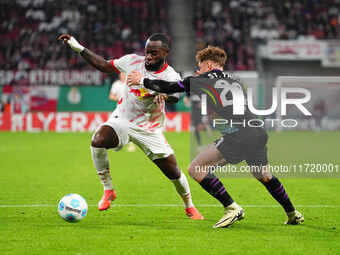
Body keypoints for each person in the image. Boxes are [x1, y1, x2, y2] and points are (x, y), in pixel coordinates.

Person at [127, 45, 304, 228]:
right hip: (257, 132)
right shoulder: (236, 81)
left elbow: (172, 87)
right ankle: (293, 213)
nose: (199, 70)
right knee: (264, 175)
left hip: (238, 135)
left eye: (200, 66)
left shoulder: (203, 79)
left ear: (209, 65)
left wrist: (143, 80)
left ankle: (232, 208)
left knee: (196, 168)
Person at [57, 33, 203, 220]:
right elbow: (103, 65)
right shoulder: (133, 61)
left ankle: (189, 206)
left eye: (154, 53)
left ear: (166, 52)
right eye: (147, 52)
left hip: (149, 127)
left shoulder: (170, 75)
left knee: (173, 172)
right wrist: (78, 48)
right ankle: (108, 190)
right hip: (123, 119)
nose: (148, 56)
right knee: (98, 140)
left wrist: (164, 94)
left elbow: (176, 94)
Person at [109, 72, 136, 152]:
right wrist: (119, 98)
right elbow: (111, 96)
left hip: (130, 108)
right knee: (113, 123)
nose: (123, 76)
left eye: (124, 74)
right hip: (119, 108)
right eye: (122, 74)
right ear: (119, 75)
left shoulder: (130, 84)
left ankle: (131, 145)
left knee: (129, 126)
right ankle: (116, 142)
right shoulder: (116, 84)